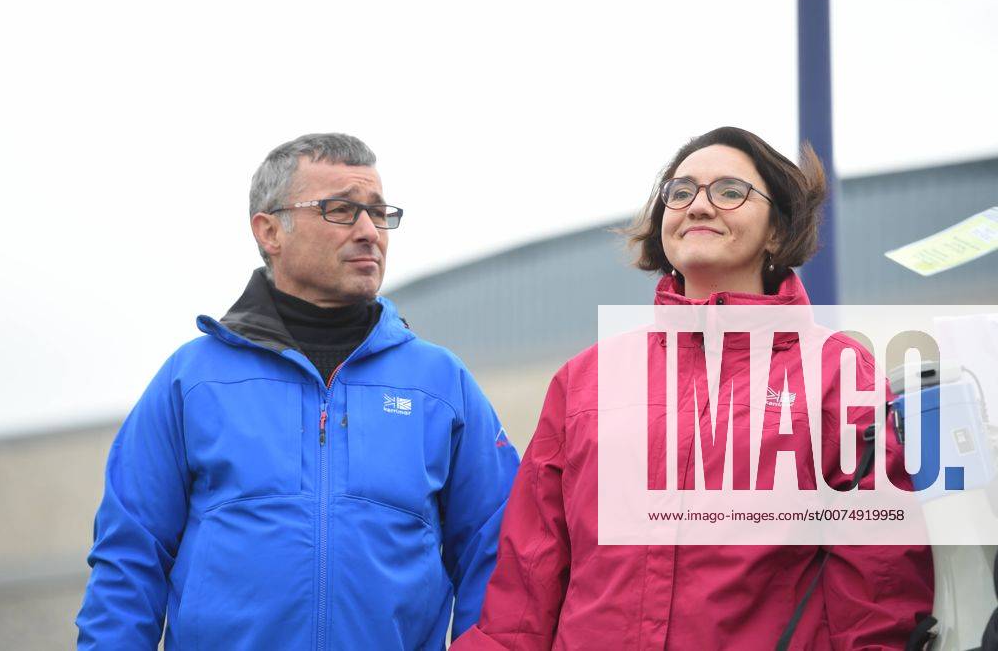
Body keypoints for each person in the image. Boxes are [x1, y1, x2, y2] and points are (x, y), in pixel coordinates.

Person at [453, 126, 934, 650]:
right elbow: (529, 575)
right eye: (681, 193)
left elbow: (878, 576)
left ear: (777, 231)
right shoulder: (584, 380)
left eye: (730, 191)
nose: (698, 206)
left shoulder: (838, 373)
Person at [75, 133, 520, 649]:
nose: (368, 231)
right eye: (340, 210)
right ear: (269, 231)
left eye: (378, 213)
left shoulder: (440, 385)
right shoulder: (192, 380)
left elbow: (497, 558)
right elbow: (129, 560)